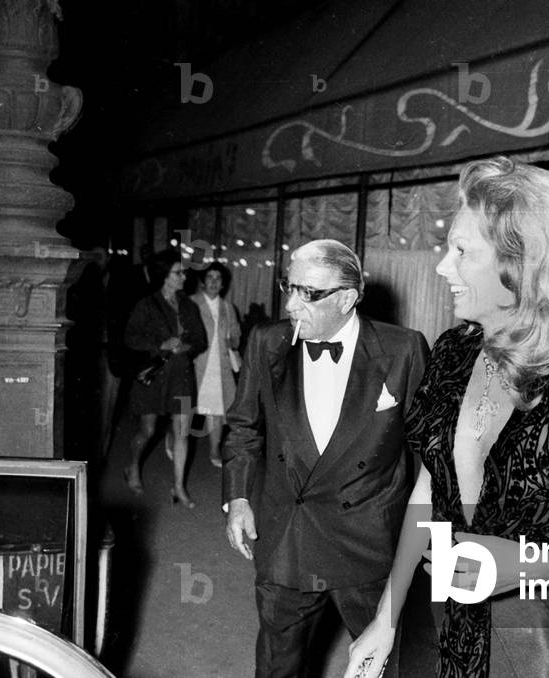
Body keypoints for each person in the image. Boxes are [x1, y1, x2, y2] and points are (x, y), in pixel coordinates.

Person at [347, 157, 549, 678]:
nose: (443, 267)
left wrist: (526, 567)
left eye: (462, 251)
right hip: (435, 615)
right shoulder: (450, 354)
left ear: (521, 264)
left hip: (531, 632)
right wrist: (387, 615)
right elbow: (428, 488)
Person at [223, 239, 429, 677]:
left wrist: (433, 535)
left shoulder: (405, 349)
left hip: (367, 542)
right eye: (288, 287)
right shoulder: (267, 341)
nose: (292, 304)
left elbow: (427, 455)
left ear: (348, 298)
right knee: (278, 666)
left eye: (309, 293)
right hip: (286, 537)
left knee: (386, 665)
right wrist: (238, 498)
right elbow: (244, 427)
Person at [123, 249, 207, 508]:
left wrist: (187, 346)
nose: (183, 277)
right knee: (147, 431)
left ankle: (179, 486)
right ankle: (133, 465)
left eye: (183, 272)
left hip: (181, 378)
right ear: (165, 276)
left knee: (182, 432)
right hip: (155, 378)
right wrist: (160, 344)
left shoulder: (189, 306)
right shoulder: (146, 305)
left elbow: (201, 340)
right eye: (178, 272)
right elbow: (131, 337)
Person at [191, 262, 243, 467]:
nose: (213, 282)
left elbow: (237, 335)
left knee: (218, 409)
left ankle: (214, 450)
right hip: (196, 364)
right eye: (209, 278)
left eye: (218, 278)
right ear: (202, 282)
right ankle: (171, 436)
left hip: (219, 366)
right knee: (187, 409)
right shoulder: (191, 303)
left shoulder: (228, 307)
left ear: (223, 284)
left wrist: (234, 341)